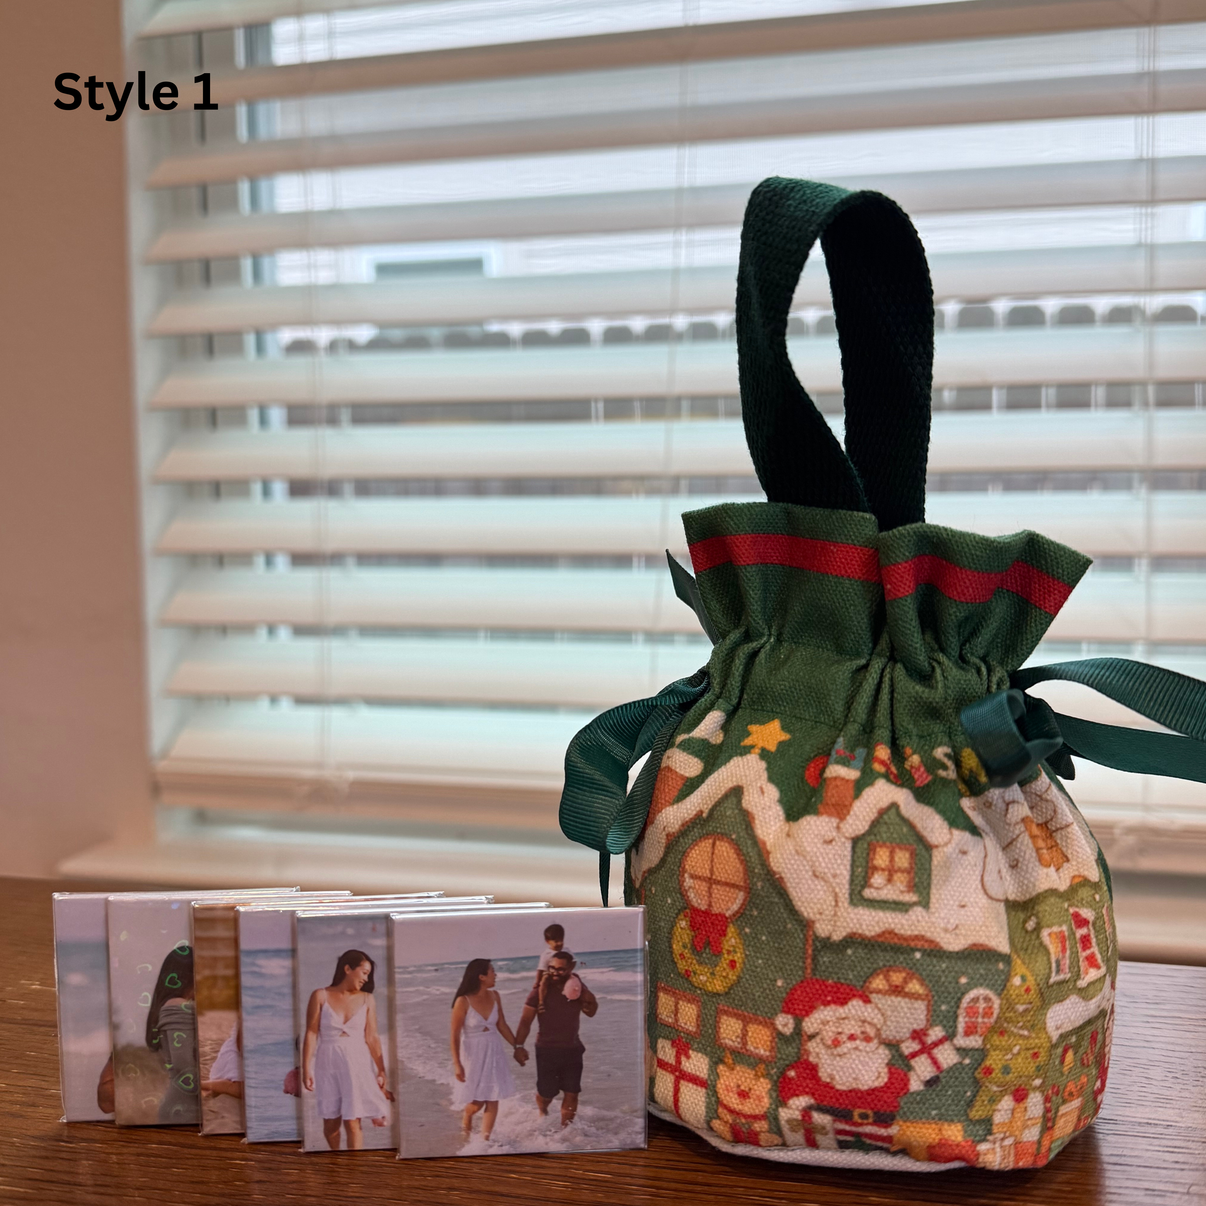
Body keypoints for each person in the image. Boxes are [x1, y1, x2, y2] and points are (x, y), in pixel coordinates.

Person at [302, 949, 394, 1150]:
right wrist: (306, 1068)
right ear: (347, 969)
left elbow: (372, 1037)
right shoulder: (320, 995)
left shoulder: (367, 999)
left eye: (368, 975)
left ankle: (355, 1164)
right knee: (331, 1123)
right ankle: (336, 1159)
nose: (366, 978)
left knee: (353, 1122)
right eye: (364, 972)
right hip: (328, 1063)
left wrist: (381, 1069)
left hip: (357, 1062)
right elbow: (311, 1033)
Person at [513, 950, 597, 1128]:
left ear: (571, 967)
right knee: (547, 1094)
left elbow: (591, 1012)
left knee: (572, 1092)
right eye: (551, 968)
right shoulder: (538, 992)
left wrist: (590, 999)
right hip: (547, 1049)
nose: (555, 972)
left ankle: (567, 1131)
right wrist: (518, 1046)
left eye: (560, 969)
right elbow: (525, 1021)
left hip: (573, 1048)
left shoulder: (576, 988)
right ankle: (542, 1110)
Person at [450, 958, 526, 1142]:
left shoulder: (495, 996)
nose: (495, 974)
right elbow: (454, 1035)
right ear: (481, 976)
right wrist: (457, 1064)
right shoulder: (463, 1001)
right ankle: (467, 1115)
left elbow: (502, 1025)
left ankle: (485, 1141)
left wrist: (517, 1046)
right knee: (477, 1103)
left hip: (494, 1051)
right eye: (492, 971)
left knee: (493, 1096)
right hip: (473, 1054)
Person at [146, 944, 199, 1125]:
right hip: (185, 1109)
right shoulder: (177, 1005)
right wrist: (218, 1089)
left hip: (183, 1106)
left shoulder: (175, 1006)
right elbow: (184, 1068)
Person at [532, 923, 581, 1012]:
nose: (559, 943)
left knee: (575, 980)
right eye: (556, 941)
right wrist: (537, 982)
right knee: (544, 981)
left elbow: (574, 961)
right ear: (547, 941)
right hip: (550, 974)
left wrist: (568, 971)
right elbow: (541, 969)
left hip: (564, 973)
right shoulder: (546, 954)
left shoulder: (567, 950)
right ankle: (541, 1002)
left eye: (561, 940)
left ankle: (579, 1000)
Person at [202, 1021, 243, 1100]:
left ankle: (216, 1088)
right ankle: (201, 1085)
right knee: (240, 1088)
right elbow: (240, 1041)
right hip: (238, 1051)